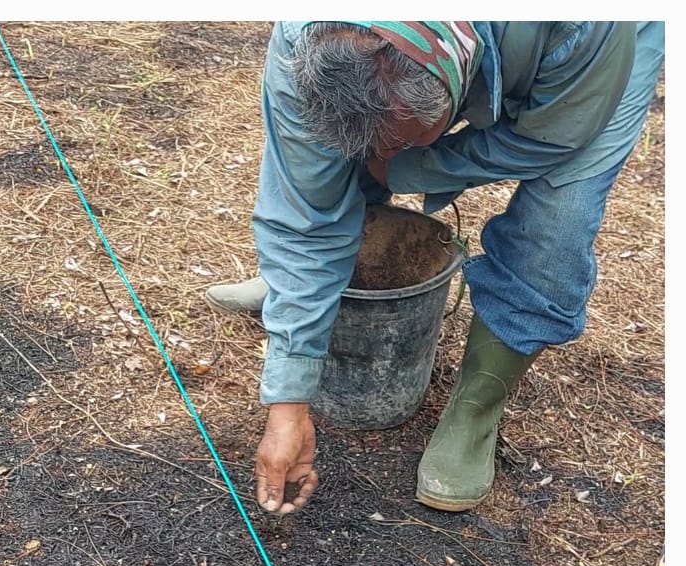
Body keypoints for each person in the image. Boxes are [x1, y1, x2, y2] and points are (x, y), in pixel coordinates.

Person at [207, 23, 665, 515]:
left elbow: (551, 139)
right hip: (422, 80)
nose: (385, 154)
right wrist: (288, 406)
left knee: (556, 225)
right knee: (338, 171)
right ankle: (295, 294)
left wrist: (411, 167)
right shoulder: (303, 41)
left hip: (592, 69)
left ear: (457, 83)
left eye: (402, 139)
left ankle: (476, 407)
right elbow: (307, 214)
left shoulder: (586, 25)